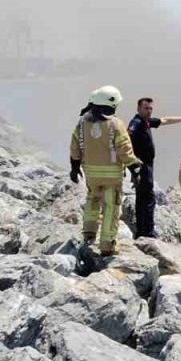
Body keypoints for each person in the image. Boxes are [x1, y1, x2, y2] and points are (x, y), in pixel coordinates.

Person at [69, 85, 141, 256]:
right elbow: (124, 150)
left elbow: (74, 147)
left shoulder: (82, 122)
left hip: (91, 174)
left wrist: (74, 168)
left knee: (92, 199)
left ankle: (88, 232)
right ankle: (108, 245)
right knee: (111, 207)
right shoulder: (116, 124)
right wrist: (135, 168)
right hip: (111, 176)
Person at [126, 97, 181, 239]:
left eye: (150, 108)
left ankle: (142, 231)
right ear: (138, 109)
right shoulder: (136, 123)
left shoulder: (146, 122)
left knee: (143, 197)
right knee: (147, 197)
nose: (148, 111)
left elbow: (164, 120)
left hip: (147, 165)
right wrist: (133, 161)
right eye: (145, 108)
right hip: (141, 165)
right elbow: (126, 139)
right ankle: (147, 232)